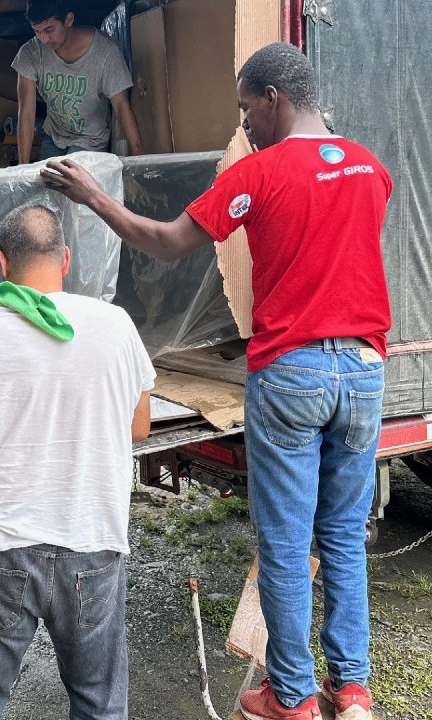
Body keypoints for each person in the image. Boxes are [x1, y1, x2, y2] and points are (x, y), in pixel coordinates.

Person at [41, 42, 391, 720]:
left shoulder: (258, 175)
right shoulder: (370, 168)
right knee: (344, 538)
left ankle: (291, 697)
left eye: (245, 111)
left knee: (288, 543)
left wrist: (92, 196)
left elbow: (168, 240)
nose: (245, 126)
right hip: (365, 374)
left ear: (273, 99)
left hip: (294, 373)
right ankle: (352, 691)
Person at [0, 205, 154, 720]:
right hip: (92, 543)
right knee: (99, 704)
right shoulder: (115, 325)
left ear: (0, 261)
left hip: (0, 549)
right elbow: (139, 426)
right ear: (66, 260)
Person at [14, 0, 143, 164]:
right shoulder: (30, 53)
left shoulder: (106, 52)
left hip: (91, 139)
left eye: (49, 30)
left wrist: (140, 157)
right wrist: (22, 166)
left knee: (67, 184)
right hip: (54, 137)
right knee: (44, 184)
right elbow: (26, 111)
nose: (44, 39)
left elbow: (121, 106)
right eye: (37, 32)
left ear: (68, 20)